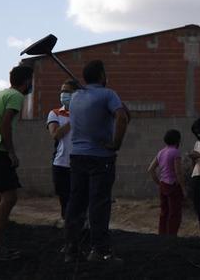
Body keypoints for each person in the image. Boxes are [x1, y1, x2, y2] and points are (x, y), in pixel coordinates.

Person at [64, 59, 130, 263]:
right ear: (102, 76)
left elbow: (125, 114)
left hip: (77, 157)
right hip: (101, 158)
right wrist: (116, 143)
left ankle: (72, 250)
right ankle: (99, 250)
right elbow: (122, 118)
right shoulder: (108, 94)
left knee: (76, 203)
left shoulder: (75, 97)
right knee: (99, 204)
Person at [0, 64, 34, 261]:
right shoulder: (16, 96)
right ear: (27, 81)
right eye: (32, 81)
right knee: (9, 198)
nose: (32, 85)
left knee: (1, 199)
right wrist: (11, 152)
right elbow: (4, 125)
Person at [46, 79, 80, 220]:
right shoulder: (55, 113)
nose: (63, 94)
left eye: (67, 91)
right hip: (61, 165)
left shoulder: (84, 114)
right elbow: (56, 134)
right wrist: (74, 119)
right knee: (65, 202)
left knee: (78, 200)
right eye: (62, 91)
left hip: (79, 164)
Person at [148, 129, 184, 235]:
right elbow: (178, 173)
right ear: (178, 140)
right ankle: (171, 236)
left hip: (163, 185)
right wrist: (183, 188)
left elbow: (150, 169)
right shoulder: (175, 152)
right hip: (173, 185)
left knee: (164, 212)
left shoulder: (161, 152)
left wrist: (158, 183)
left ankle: (162, 235)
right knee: (174, 213)